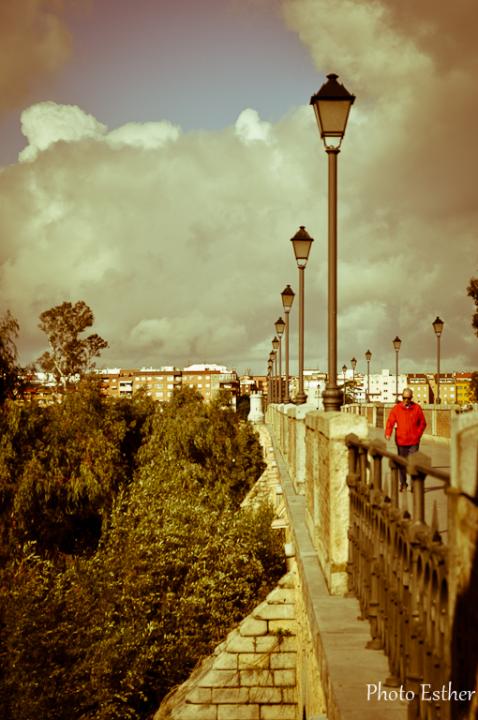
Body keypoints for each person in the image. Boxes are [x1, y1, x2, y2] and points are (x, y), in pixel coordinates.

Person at [385, 388, 427, 491]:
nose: (406, 400)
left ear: (411, 398)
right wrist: (388, 433)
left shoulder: (417, 408)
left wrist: (418, 435)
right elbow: (390, 421)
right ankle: (403, 483)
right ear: (402, 397)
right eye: (404, 398)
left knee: (413, 464)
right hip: (401, 441)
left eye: (408, 398)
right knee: (402, 464)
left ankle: (414, 485)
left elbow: (423, 423)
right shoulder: (396, 408)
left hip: (414, 441)